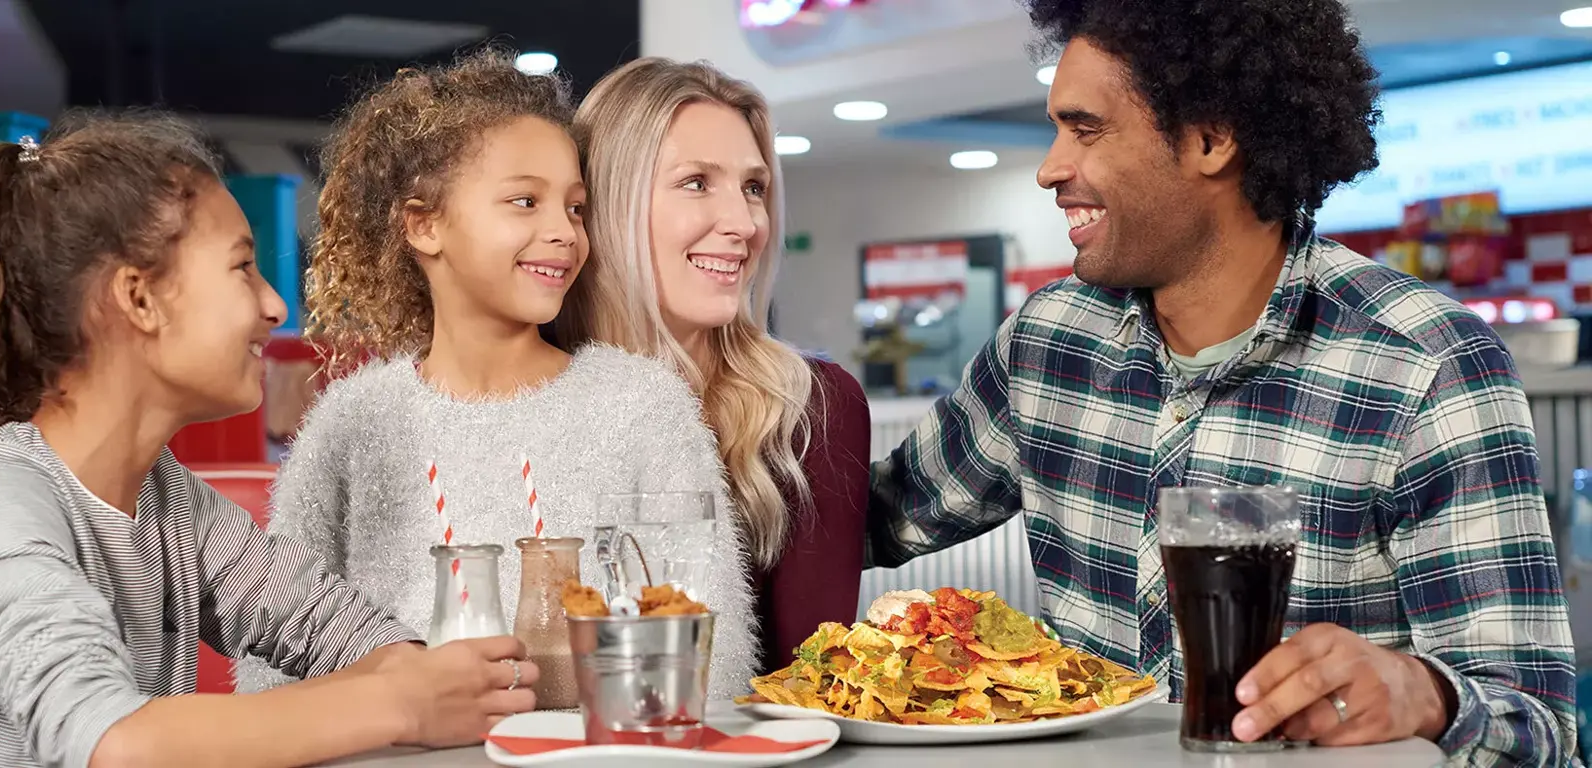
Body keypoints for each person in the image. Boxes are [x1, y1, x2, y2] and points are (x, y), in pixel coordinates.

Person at [865, 0, 1576, 763]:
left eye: (1086, 128)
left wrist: (1424, 695)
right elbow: (875, 516)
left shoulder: (1427, 365)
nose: (1049, 167)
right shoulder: (1047, 342)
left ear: (1211, 138)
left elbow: (1538, 728)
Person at [0, 112, 538, 768]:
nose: (274, 306)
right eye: (242, 267)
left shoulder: (165, 498)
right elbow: (111, 743)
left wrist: (431, 680)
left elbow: (328, 624)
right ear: (138, 299)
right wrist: (404, 702)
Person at [238, 50, 759, 698]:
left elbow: (712, 655)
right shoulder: (352, 422)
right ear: (424, 224)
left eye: (574, 208)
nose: (564, 233)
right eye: (524, 201)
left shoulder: (642, 406)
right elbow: (272, 666)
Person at [554, 58, 871, 670]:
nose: (745, 223)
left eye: (754, 187)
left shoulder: (809, 409)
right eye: (697, 182)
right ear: (606, 204)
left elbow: (808, 688)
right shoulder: (531, 388)